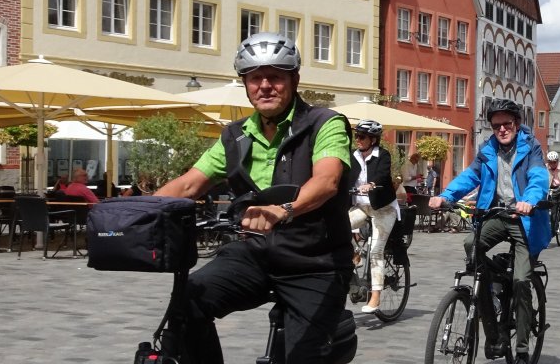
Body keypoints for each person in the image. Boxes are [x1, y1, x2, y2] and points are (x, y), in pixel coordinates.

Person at [154, 32, 354, 363]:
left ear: (294, 79)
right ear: (245, 84)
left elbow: (327, 180)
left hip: (315, 262)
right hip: (254, 255)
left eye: (275, 77)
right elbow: (189, 185)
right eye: (255, 78)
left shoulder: (325, 123)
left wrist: (283, 210)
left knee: (304, 356)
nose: (264, 86)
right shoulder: (235, 135)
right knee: (186, 303)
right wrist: (133, 213)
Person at [428, 98, 549, 363]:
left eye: (506, 124)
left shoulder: (531, 148)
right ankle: (493, 323)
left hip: (524, 220)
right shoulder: (488, 150)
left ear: (516, 124)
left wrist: (529, 200)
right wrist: (445, 196)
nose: (502, 129)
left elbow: (539, 177)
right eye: (496, 126)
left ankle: (521, 347)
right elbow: (470, 176)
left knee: (520, 281)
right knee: (472, 245)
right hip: (496, 214)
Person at [346, 119, 400, 313]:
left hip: (383, 208)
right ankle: (354, 253)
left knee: (376, 250)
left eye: (362, 136)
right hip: (361, 206)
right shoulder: (352, 155)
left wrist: (371, 184)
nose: (358, 140)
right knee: (337, 226)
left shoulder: (382, 155)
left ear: (373, 139)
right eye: (357, 136)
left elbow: (383, 174)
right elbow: (345, 176)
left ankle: (375, 297)